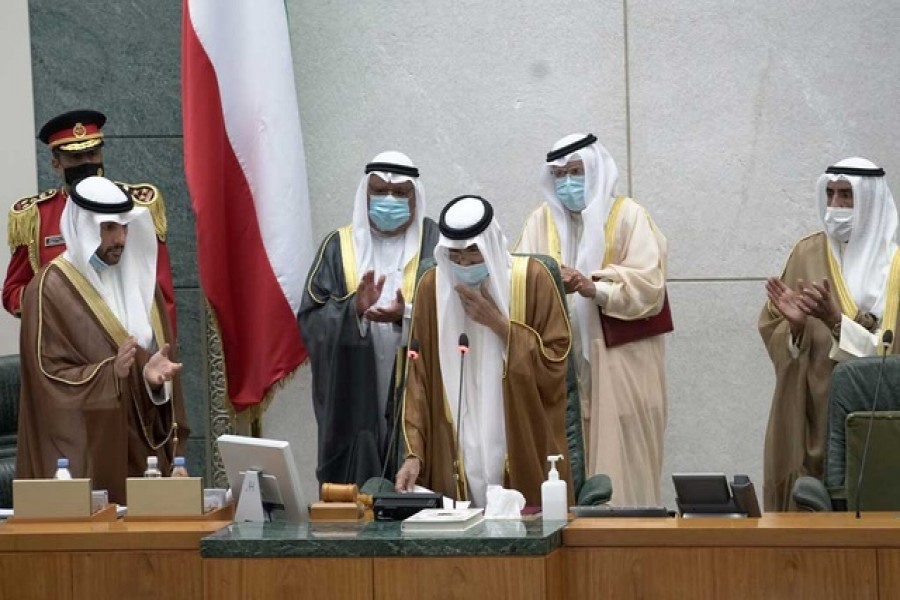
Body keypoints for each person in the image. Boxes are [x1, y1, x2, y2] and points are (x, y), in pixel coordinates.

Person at [515, 133, 668, 507]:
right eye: (561, 175)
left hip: (622, 366)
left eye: (576, 172)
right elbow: (517, 281)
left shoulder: (629, 216)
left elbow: (650, 287)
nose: (568, 183)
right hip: (561, 370)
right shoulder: (540, 222)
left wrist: (591, 286)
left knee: (625, 470)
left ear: (596, 170)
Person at [16, 176, 189, 505]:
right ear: (83, 226)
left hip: (141, 454)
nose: (120, 239)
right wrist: (109, 375)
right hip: (84, 458)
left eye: (124, 228)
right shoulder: (48, 289)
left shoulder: (142, 285)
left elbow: (148, 366)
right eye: (108, 228)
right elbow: (46, 379)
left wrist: (151, 382)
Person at [395, 195, 573, 507]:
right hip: (454, 444)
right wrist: (413, 455)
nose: (463, 264)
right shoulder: (430, 288)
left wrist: (500, 326)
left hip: (520, 434)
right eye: (455, 255)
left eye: (473, 252)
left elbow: (556, 361)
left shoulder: (532, 279)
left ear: (489, 244)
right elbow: (417, 379)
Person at [760, 157, 900, 511]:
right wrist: (794, 327)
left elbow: (888, 356)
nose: (836, 206)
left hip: (876, 418)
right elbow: (775, 329)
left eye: (847, 197)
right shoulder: (806, 253)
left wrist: (837, 321)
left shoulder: (895, 267)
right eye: (831, 195)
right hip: (809, 408)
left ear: (870, 200)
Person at [298, 152, 439, 487]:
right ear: (365, 195)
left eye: (400, 193)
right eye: (379, 192)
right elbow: (310, 321)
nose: (389, 201)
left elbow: (453, 311)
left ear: (415, 197)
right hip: (354, 387)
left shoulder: (435, 242)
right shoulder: (339, 246)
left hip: (418, 379)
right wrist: (353, 311)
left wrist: (404, 316)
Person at [3, 109, 177, 337]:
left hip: (131, 339)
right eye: (75, 157)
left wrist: (165, 348)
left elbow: (160, 288)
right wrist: (50, 299)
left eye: (92, 154)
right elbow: (13, 292)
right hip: (67, 344)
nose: (86, 163)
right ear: (56, 164)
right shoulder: (35, 216)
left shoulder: (135, 207)